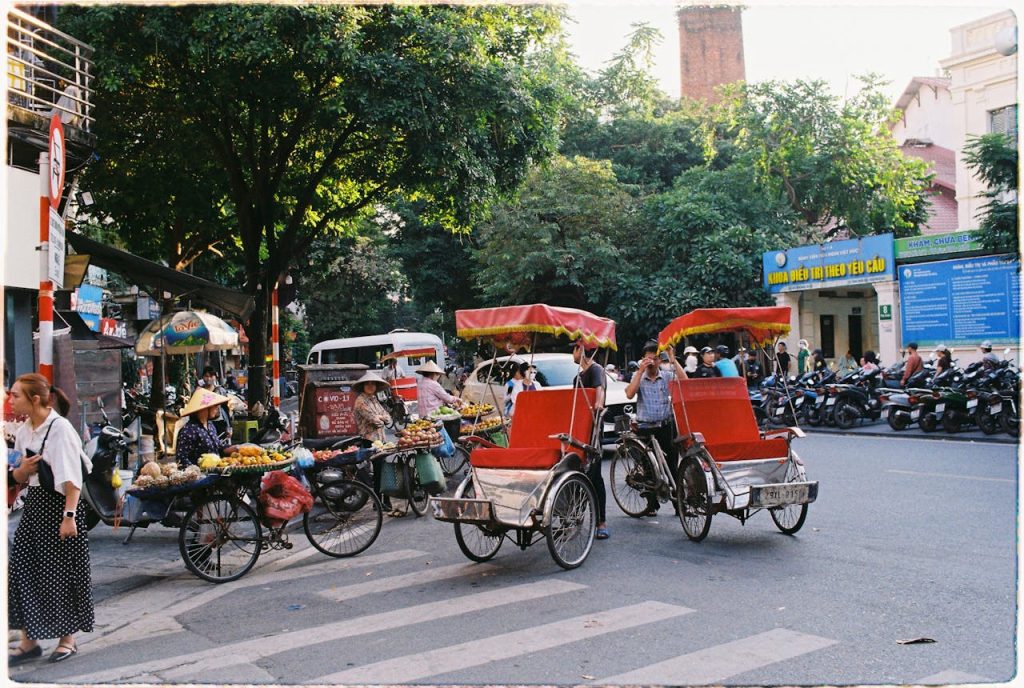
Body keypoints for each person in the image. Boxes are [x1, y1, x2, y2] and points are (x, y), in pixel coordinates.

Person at [8, 373, 94, 665]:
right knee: (21, 569)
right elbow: (18, 476)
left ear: (34, 400)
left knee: (61, 572)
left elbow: (72, 480)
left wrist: (68, 517)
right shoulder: (24, 431)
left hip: (61, 508)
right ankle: (28, 641)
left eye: (16, 395)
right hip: (35, 506)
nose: (11, 400)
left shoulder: (60, 429)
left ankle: (67, 639)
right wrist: (21, 471)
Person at [624, 340, 687, 517]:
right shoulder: (639, 376)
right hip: (645, 427)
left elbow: (685, 381)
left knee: (673, 467)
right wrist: (640, 370)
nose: (652, 362)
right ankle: (652, 504)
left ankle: (679, 505)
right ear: (643, 359)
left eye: (655, 359)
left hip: (665, 425)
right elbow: (629, 393)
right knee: (649, 468)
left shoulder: (666, 376)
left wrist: (674, 360)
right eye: (649, 358)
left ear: (660, 360)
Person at [572, 342, 610, 539]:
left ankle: (601, 521)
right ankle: (574, 515)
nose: (573, 353)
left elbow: (600, 389)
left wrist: (598, 403)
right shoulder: (577, 378)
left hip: (593, 431)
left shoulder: (596, 370)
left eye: (575, 349)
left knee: (594, 476)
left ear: (581, 351)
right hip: (578, 430)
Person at [351, 372, 398, 516]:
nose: (371, 386)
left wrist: (382, 418)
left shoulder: (374, 399)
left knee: (382, 469)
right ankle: (379, 501)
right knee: (378, 470)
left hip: (380, 439)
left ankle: (384, 500)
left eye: (373, 384)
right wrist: (381, 418)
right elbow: (375, 420)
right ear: (363, 386)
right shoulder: (361, 401)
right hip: (369, 440)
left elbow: (388, 417)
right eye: (368, 384)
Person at [174, 388, 231, 468]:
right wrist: (197, 470)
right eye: (215, 406)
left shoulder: (210, 425)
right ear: (204, 409)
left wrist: (235, 448)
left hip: (215, 471)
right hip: (200, 476)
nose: (217, 409)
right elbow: (181, 459)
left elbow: (218, 447)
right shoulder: (189, 430)